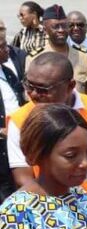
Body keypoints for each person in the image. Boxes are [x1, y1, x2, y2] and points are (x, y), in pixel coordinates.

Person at [7, 52, 87, 210]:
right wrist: (61, 216)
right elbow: (23, 177)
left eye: (43, 89)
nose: (33, 94)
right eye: (29, 85)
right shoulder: (19, 120)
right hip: (47, 209)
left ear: (70, 86)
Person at [25, 5, 87, 96]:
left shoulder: (83, 57)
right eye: (55, 27)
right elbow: (30, 96)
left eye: (64, 26)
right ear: (45, 30)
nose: (61, 30)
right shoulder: (34, 59)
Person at [0, 33, 25, 202]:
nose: (7, 49)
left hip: (15, 143)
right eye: (2, 46)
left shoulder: (8, 72)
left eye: (6, 45)